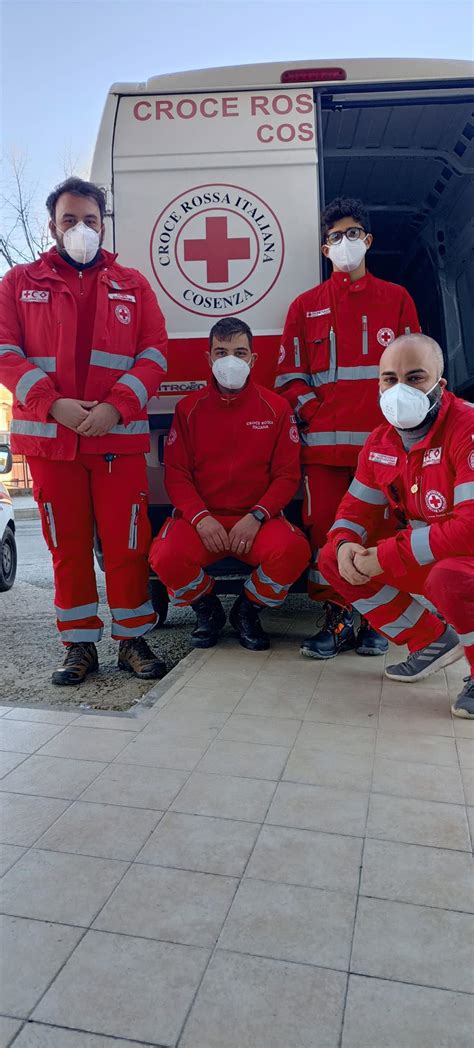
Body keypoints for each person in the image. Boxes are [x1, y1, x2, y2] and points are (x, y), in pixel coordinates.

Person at [0, 177, 168, 685]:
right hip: (53, 446)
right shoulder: (17, 283)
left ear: (103, 223)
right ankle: (78, 647)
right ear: (52, 225)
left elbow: (155, 353)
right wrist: (54, 406)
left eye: (90, 220)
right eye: (70, 219)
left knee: (127, 546)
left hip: (117, 443)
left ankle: (133, 641)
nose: (81, 229)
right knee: (66, 548)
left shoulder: (133, 284)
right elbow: (5, 352)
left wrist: (116, 408)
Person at [275, 196, 420, 659]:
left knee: (379, 536)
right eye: (335, 237)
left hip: (381, 452)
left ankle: (378, 619)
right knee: (326, 534)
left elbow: (417, 369)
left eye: (352, 233)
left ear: (368, 240)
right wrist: (317, 412)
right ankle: (337, 617)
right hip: (321, 453)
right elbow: (288, 378)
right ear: (325, 249)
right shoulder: (305, 306)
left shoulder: (397, 299)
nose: (345, 242)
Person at [317, 333, 474, 718]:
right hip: (438, 555)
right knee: (332, 560)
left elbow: (470, 527)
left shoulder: (467, 428)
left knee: (448, 579)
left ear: (440, 385)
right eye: (390, 379)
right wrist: (343, 545)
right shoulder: (380, 443)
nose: (400, 389)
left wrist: (385, 556)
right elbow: (353, 512)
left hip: (464, 559)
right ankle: (431, 642)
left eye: (415, 377)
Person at [150, 317, 310, 650]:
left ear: (253, 359)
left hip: (255, 522)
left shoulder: (276, 408)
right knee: (164, 556)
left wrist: (257, 516)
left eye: (239, 352)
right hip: (202, 523)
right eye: (221, 352)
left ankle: (246, 611)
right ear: (208, 358)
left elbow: (287, 475)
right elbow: (176, 473)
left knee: (294, 551)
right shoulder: (188, 409)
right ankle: (207, 610)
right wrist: (200, 518)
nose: (230, 361)